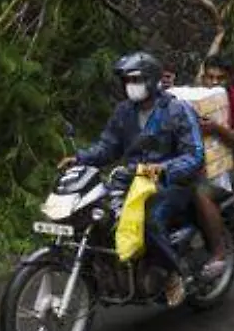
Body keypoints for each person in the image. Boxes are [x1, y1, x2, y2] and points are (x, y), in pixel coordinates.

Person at [59, 52, 205, 305]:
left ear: (151, 80)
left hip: (170, 184)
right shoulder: (124, 111)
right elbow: (108, 146)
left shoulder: (177, 110)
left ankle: (174, 273)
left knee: (146, 221)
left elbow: (194, 156)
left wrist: (159, 170)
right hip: (130, 179)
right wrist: (80, 158)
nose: (131, 85)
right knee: (96, 214)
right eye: (127, 80)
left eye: (136, 79)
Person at [193, 54, 234, 279]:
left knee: (200, 193)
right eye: (210, 77)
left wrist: (217, 129)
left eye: (220, 78)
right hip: (195, 164)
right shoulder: (198, 97)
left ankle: (218, 252)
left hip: (228, 169)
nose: (214, 83)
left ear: (230, 78)